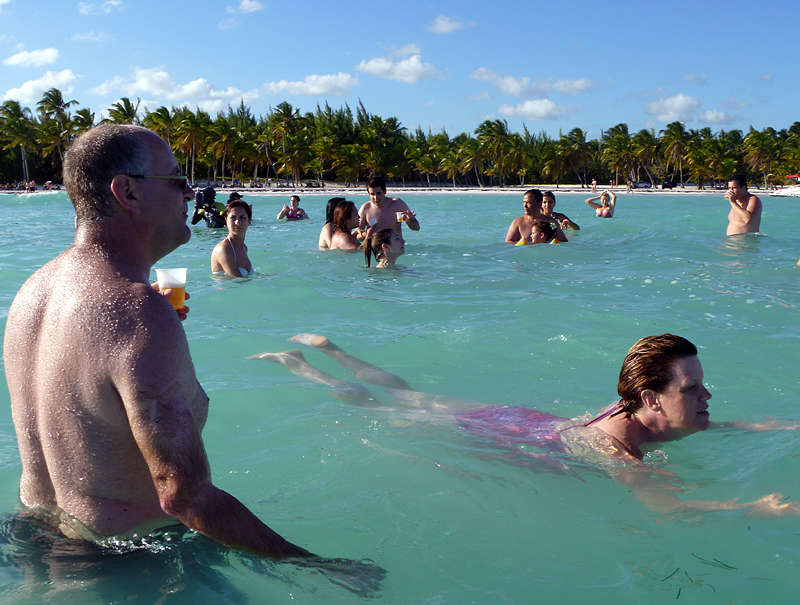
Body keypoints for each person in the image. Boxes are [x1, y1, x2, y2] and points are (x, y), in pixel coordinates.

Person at [3, 124, 311, 557]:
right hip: (124, 566)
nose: (189, 194)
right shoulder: (137, 311)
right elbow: (183, 495)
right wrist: (320, 568)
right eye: (177, 180)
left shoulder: (33, 291)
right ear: (127, 192)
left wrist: (158, 324)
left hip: (32, 539)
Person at [251, 333, 800, 517]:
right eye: (693, 389)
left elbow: (726, 425)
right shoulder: (619, 451)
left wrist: (780, 427)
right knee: (382, 408)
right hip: (495, 433)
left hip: (526, 421)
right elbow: (669, 508)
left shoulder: (651, 414)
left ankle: (334, 349)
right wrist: (752, 508)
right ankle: (305, 368)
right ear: (651, 399)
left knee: (411, 396)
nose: (708, 397)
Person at [211, 199, 253, 277]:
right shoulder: (223, 249)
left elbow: (248, 278)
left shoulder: (244, 247)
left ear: (249, 221)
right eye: (233, 218)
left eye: (242, 218)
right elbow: (239, 281)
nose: (237, 222)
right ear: (226, 220)